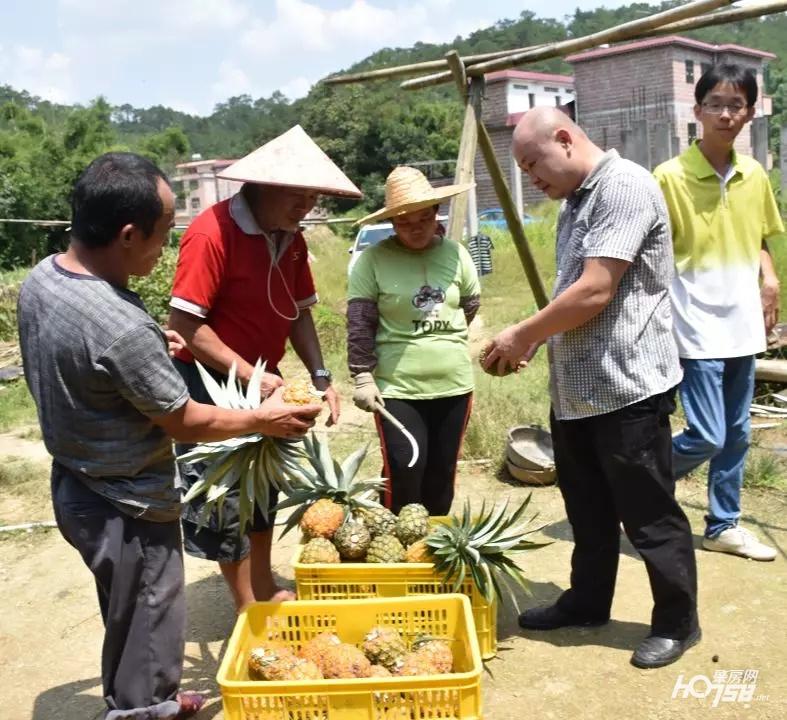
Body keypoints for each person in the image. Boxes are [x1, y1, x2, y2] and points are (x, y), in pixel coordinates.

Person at [17, 152, 321, 719]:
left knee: (129, 613)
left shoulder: (44, 279)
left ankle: (148, 696)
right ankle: (141, 710)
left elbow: (90, 354)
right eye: (160, 236)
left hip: (78, 483)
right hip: (126, 500)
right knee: (151, 611)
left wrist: (152, 348)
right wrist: (262, 419)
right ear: (128, 234)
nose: (165, 251)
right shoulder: (122, 325)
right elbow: (187, 420)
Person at [482, 107, 699, 669]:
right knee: (588, 510)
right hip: (578, 389)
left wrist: (520, 333)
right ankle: (587, 601)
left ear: (565, 138)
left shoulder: (625, 186)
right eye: (525, 169)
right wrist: (533, 342)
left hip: (627, 387)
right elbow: (570, 295)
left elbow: (595, 290)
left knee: (648, 513)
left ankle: (678, 623)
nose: (532, 178)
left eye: (534, 164)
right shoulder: (575, 200)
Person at [167, 125, 362, 610]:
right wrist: (250, 374)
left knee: (263, 488)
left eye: (314, 195)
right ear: (262, 186)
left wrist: (321, 376)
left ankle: (262, 581)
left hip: (263, 381)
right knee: (225, 496)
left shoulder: (291, 239)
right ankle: (245, 603)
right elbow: (185, 325)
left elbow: (299, 310)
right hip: (211, 385)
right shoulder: (211, 233)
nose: (307, 205)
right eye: (299, 194)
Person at [654, 64, 783, 562]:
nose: (726, 114)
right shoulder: (670, 177)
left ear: (750, 113)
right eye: (716, 104)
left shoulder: (755, 176)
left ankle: (722, 524)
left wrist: (769, 278)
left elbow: (760, 240)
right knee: (707, 434)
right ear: (698, 110)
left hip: (743, 325)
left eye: (736, 105)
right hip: (693, 323)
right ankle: (634, 482)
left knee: (738, 434)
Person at [347, 166, 480, 515]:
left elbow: (469, 305)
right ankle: (393, 557)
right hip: (398, 388)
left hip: (453, 385)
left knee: (441, 474)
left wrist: (439, 340)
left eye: (422, 218)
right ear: (391, 223)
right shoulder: (373, 261)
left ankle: (430, 558)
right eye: (404, 222)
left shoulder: (456, 254)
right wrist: (362, 374)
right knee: (405, 468)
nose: (415, 228)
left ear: (436, 213)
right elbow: (360, 323)